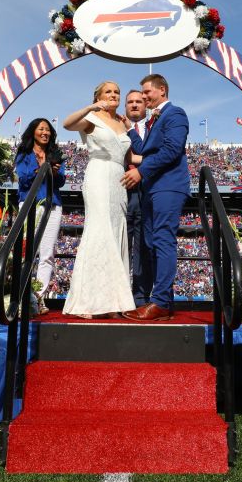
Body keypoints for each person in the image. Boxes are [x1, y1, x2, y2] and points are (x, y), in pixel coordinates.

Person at [60, 81, 137, 318]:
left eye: (116, 92)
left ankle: (112, 302)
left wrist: (167, 158)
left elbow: (133, 157)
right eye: (108, 92)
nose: (113, 95)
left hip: (119, 180)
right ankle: (88, 302)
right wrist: (92, 107)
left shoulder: (124, 124)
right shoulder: (91, 118)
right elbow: (67, 123)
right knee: (99, 231)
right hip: (98, 176)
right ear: (99, 96)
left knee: (115, 233)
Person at [122, 74, 191, 321]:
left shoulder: (175, 114)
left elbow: (172, 150)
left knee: (162, 240)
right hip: (154, 188)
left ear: (162, 90)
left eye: (147, 92)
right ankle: (163, 300)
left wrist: (141, 172)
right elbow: (144, 150)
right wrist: (130, 130)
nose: (143, 97)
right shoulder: (153, 120)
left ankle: (160, 302)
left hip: (168, 185)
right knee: (152, 243)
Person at [13, 118, 66, 313]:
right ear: (33, 132)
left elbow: (61, 182)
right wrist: (41, 168)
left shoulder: (56, 154)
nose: (45, 132)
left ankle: (38, 298)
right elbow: (24, 180)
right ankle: (19, 297)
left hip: (53, 205)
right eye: (41, 129)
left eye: (48, 129)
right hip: (29, 204)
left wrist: (54, 172)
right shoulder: (24, 154)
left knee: (47, 254)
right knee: (27, 252)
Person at [124, 89, 150, 306]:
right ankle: (119, 294)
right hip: (121, 192)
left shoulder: (154, 127)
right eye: (130, 102)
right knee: (120, 244)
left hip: (147, 193)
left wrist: (139, 165)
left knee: (142, 248)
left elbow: (157, 156)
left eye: (138, 101)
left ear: (146, 105)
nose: (134, 105)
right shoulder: (116, 128)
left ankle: (140, 296)